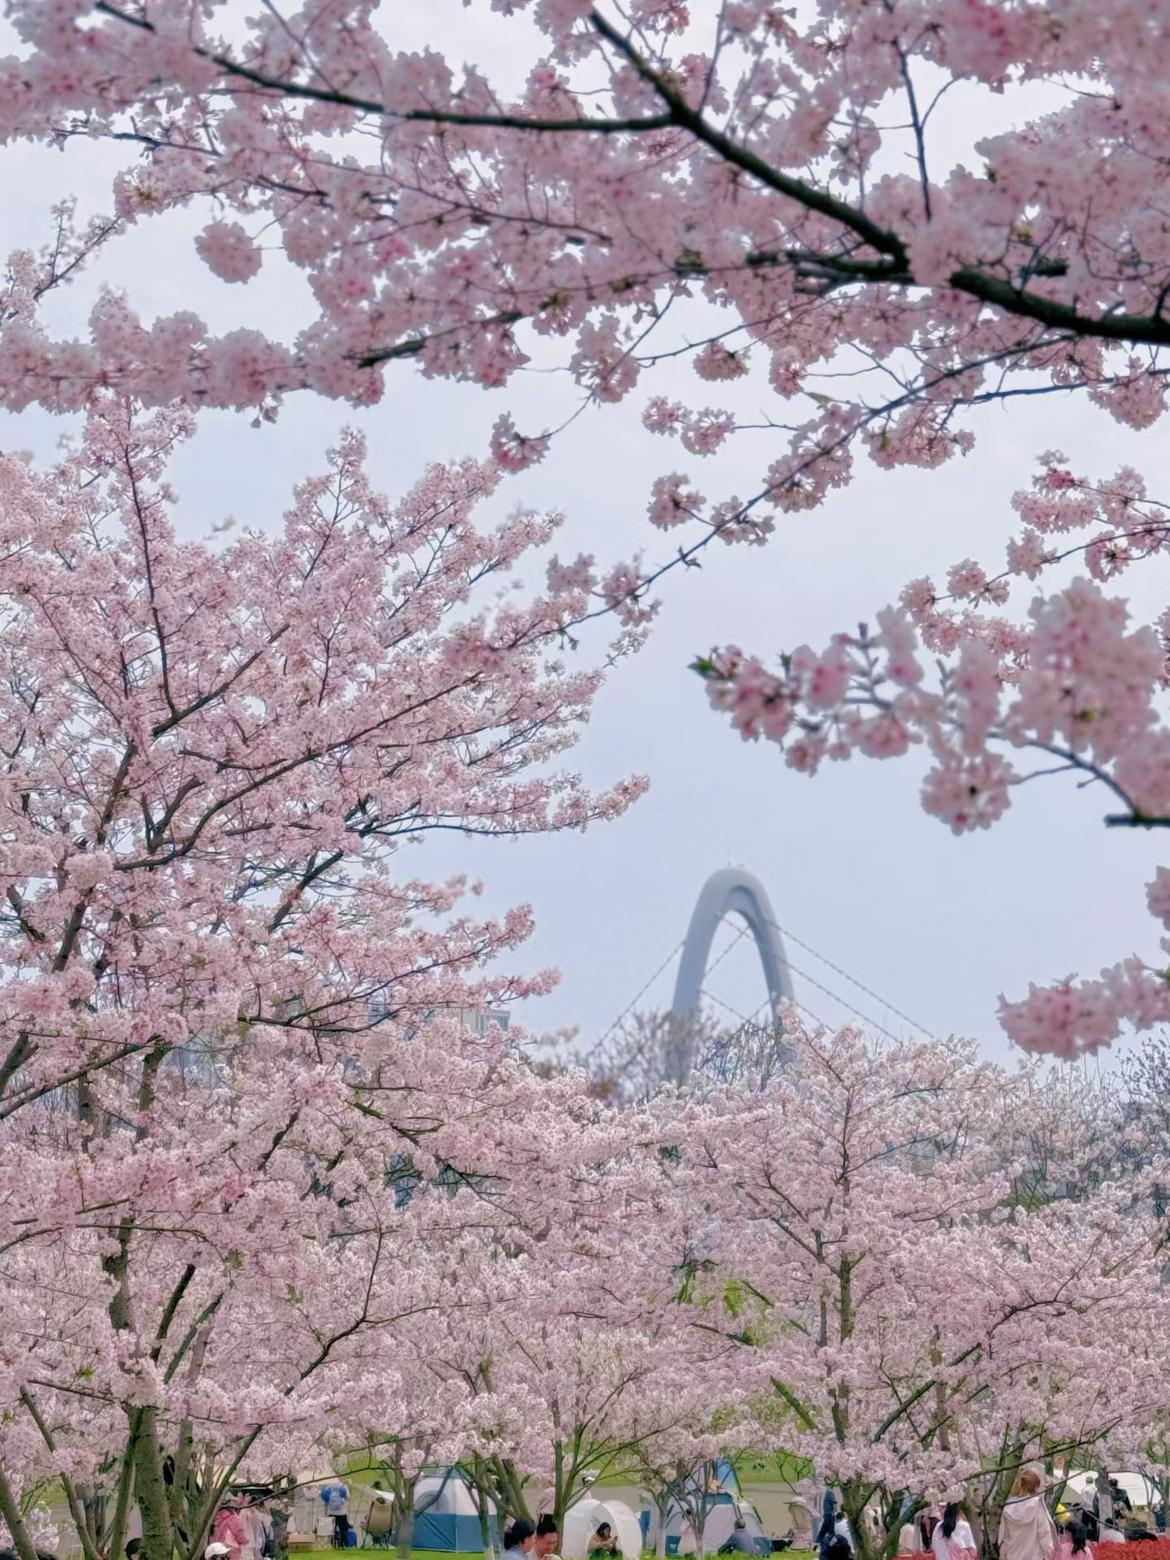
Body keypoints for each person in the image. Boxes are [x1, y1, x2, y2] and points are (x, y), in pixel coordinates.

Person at [999, 1472, 1058, 1560]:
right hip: (1033, 1555)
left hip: (1013, 1555)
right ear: (1035, 1487)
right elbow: (1044, 1533)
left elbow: (1004, 1537)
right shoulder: (1037, 1505)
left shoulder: (1008, 1507)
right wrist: (1049, 1553)